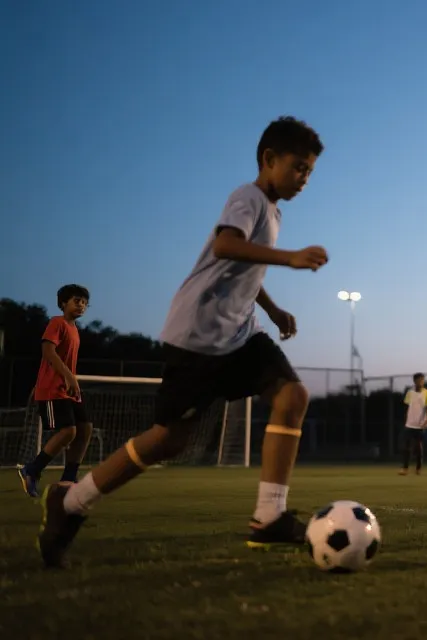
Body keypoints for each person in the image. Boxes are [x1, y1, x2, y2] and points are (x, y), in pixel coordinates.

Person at [36, 116, 328, 569]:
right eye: (298, 167)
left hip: (240, 333)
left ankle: (268, 516)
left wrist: (270, 308)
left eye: (310, 171)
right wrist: (289, 258)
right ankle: (71, 503)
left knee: (292, 396)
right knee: (168, 441)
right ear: (269, 159)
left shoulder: (273, 210)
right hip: (197, 337)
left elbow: (245, 269)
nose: (304, 178)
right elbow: (226, 248)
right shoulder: (246, 197)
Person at [18, 284, 95, 497]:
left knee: (85, 428)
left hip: (67, 389)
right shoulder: (57, 322)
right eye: (77, 301)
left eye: (85, 303)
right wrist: (69, 376)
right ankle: (32, 470)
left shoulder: (75, 330)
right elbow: (48, 351)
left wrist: (72, 381)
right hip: (52, 389)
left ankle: (69, 477)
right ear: (63, 303)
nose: (81, 305)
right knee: (68, 431)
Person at [399, 373, 427, 475]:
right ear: (415, 381)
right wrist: (406, 419)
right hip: (409, 424)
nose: (421, 382)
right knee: (406, 446)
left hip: (420, 424)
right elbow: (406, 406)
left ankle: (418, 468)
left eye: (422, 380)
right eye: (419, 380)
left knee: (418, 447)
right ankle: (405, 468)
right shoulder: (410, 392)